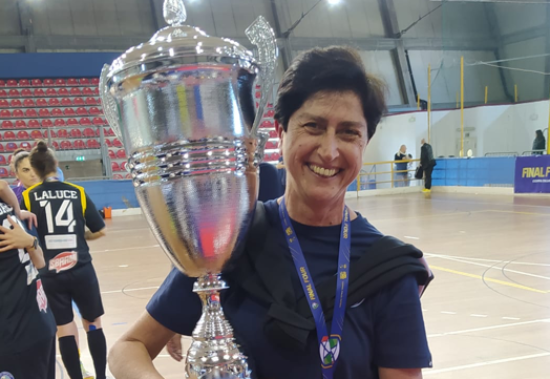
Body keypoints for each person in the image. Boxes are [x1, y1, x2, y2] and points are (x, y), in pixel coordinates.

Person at [108, 46, 432, 379]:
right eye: (313, 126)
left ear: (364, 142)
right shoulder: (230, 238)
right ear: (280, 131)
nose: (329, 151)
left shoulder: (388, 268)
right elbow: (127, 348)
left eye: (349, 132)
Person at [22, 141, 108, 379]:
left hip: (50, 272)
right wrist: (80, 237)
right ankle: (101, 376)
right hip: (81, 268)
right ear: (56, 164)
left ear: (35, 169)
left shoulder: (28, 197)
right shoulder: (76, 191)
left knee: (64, 328)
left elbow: (25, 235)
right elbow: (100, 230)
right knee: (93, 323)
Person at [0, 183, 57, 379]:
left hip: (13, 336)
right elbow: (40, 261)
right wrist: (17, 211)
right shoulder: (7, 208)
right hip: (40, 322)